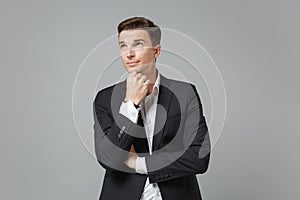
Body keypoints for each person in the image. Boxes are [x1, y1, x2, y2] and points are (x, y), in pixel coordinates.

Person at [93, 16, 211, 200]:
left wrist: (138, 163)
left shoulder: (185, 93)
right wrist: (130, 104)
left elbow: (199, 158)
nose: (129, 53)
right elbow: (108, 158)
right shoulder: (105, 99)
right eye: (123, 46)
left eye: (138, 44)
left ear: (156, 51)